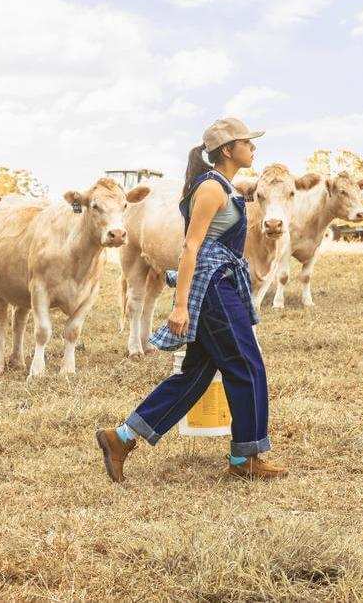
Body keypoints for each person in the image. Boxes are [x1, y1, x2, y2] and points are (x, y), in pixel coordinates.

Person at [95, 117, 287, 482]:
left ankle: (120, 438)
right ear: (228, 150)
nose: (253, 147)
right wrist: (181, 305)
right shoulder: (211, 190)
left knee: (196, 374)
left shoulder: (224, 187)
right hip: (213, 288)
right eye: (247, 142)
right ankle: (245, 457)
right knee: (247, 367)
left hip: (220, 283)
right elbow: (191, 246)